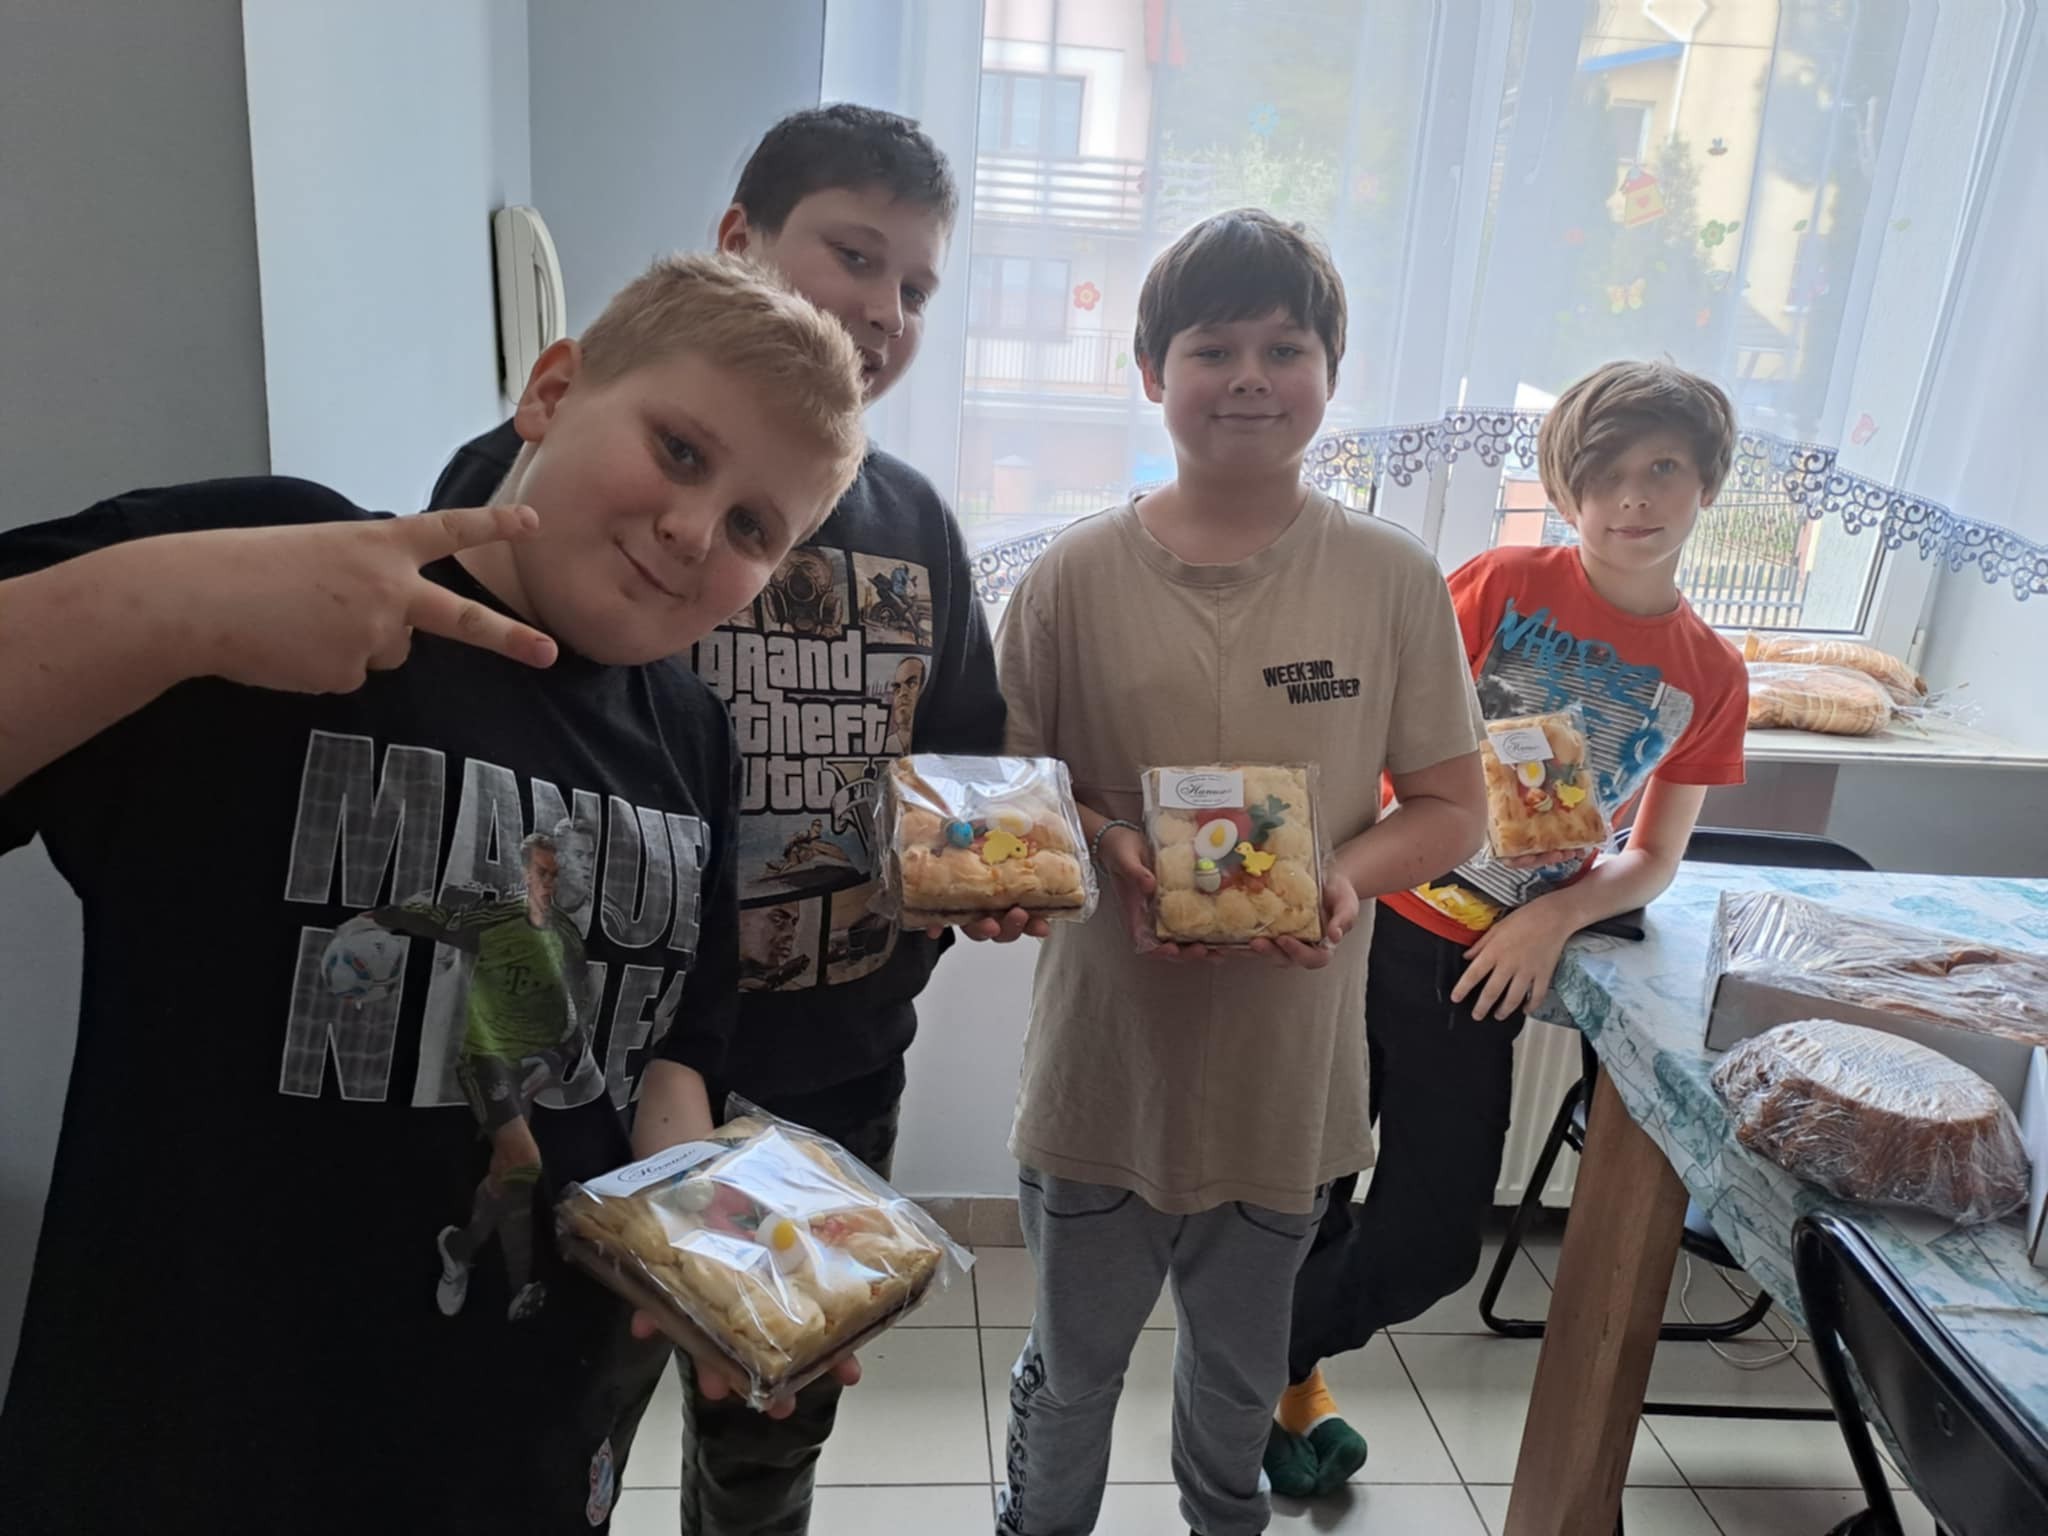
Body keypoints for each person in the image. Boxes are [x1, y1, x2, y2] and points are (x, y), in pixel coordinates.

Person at [0, 252, 868, 1532]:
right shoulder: (291, 564)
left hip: (524, 1453)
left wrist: (709, 1248)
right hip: (186, 1444)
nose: (695, 531)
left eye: (753, 528)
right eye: (679, 451)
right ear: (552, 391)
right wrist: (177, 605)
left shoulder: (692, 737)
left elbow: (669, 1056)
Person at [427, 103, 1014, 1536]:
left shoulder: (918, 527)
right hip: (594, 1070)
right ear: (740, 239)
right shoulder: (539, 483)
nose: (883, 310)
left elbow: (961, 761)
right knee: (578, 1388)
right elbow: (476, 758)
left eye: (916, 286)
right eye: (853, 255)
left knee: (769, 1418)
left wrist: (954, 901)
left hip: (835, 1069)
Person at [992, 209, 1489, 1536]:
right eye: (1212, 349)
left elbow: (1451, 809)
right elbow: (1011, 801)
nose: (1251, 378)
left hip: (1288, 1082)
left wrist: (1343, 874)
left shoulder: (1389, 578)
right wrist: (1111, 847)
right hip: (1103, 1068)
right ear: (1150, 373)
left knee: (1236, 1376)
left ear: (1331, 371)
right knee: (1072, 1372)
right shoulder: (1068, 579)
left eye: (1285, 348)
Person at [1271, 359, 1750, 1498]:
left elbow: (1653, 856)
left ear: (1706, 483)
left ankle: (1252, 1356)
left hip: (1485, 966)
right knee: (1305, 1187)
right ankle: (1276, 1390)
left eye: (1662, 468)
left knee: (1431, 1242)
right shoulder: (1502, 583)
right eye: (1602, 472)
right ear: (1565, 487)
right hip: (1369, 923)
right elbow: (1379, 739)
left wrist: (1556, 919)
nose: (1630, 497)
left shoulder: (1711, 674)